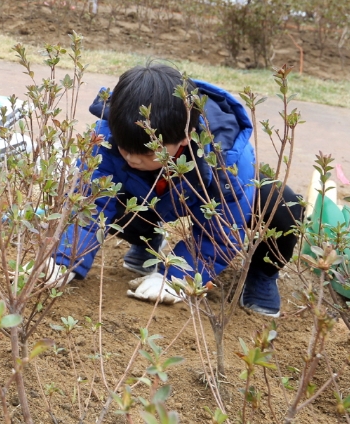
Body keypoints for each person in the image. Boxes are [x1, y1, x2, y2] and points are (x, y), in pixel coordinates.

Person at [54, 64, 303, 318]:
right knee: (113, 195)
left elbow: (221, 230)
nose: (131, 158)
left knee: (287, 207)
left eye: (146, 152)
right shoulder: (110, 134)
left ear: (185, 137)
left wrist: (176, 277)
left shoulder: (225, 157)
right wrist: (64, 260)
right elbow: (88, 202)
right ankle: (147, 243)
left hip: (201, 199)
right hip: (149, 197)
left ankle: (263, 273)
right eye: (124, 148)